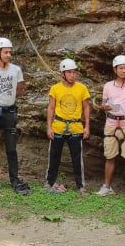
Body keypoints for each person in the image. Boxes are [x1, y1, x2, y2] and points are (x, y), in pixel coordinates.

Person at [0, 37, 31, 195]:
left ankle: (14, 180)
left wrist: (8, 100)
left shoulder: (16, 70)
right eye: (6, 52)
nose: (9, 55)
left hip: (9, 112)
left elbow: (20, 88)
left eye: (10, 52)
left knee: (11, 149)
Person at [96, 55, 125, 200]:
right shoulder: (108, 86)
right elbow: (103, 105)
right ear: (115, 70)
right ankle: (107, 186)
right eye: (121, 68)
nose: (124, 71)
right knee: (110, 155)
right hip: (111, 122)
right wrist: (105, 106)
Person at [45, 58, 91, 195]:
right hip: (58, 126)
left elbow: (86, 108)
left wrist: (87, 126)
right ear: (62, 74)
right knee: (54, 157)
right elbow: (51, 108)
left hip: (75, 127)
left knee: (77, 159)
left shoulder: (82, 88)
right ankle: (49, 182)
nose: (72, 75)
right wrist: (49, 127)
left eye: (74, 72)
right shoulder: (55, 89)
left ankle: (81, 185)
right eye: (69, 72)